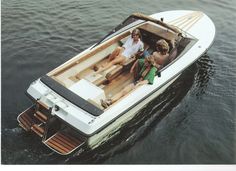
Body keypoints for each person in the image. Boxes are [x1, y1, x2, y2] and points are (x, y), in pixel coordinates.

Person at [100, 39, 170, 109]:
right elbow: (140, 61)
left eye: (146, 62)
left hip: (138, 83)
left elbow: (148, 80)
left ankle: (110, 102)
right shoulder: (166, 56)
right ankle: (109, 101)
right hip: (139, 81)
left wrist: (139, 83)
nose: (144, 63)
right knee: (124, 91)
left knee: (124, 91)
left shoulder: (153, 60)